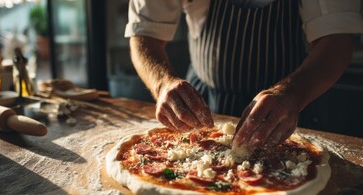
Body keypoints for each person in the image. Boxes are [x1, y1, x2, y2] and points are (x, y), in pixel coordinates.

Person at [124, 0, 363, 148]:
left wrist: (291, 94)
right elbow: (145, 33)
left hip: (293, 107)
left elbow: (336, 40)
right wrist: (162, 84)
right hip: (204, 104)